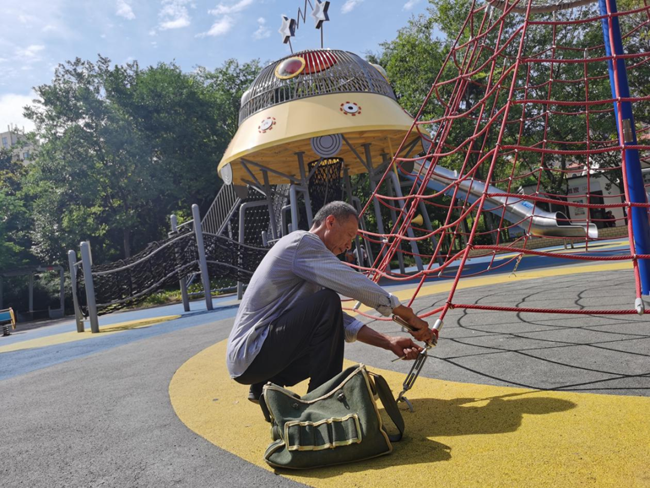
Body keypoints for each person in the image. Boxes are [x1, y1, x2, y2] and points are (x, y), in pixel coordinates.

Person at [226, 201, 434, 403]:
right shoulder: (301, 242)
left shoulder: (310, 266)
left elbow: (338, 322)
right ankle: (324, 400)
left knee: (328, 311)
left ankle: (264, 388)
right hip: (251, 351)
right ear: (331, 222)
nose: (349, 245)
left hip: (254, 360)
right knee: (328, 301)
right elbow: (353, 283)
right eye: (349, 235)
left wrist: (388, 341)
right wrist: (404, 313)